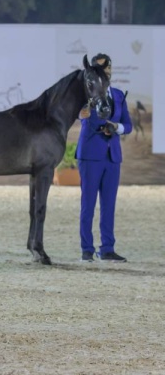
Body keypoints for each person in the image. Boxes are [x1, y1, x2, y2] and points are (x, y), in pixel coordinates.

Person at [76, 53, 132, 262]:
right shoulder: (86, 94)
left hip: (112, 157)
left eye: (106, 69)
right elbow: (80, 116)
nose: (105, 73)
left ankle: (107, 248)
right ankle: (87, 249)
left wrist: (116, 127)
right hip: (91, 155)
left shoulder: (118, 95)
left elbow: (129, 125)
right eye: (99, 69)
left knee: (109, 205)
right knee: (88, 204)